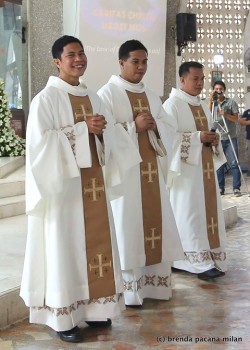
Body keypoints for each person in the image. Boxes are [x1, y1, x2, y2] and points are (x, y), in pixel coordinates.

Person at [20, 35, 140, 343]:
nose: (79, 59)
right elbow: (39, 147)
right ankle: (65, 317)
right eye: (71, 54)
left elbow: (110, 132)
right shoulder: (45, 99)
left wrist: (102, 133)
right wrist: (82, 130)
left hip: (93, 189)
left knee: (96, 249)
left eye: (82, 53)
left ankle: (96, 309)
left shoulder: (95, 98)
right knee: (66, 249)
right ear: (57, 61)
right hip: (65, 194)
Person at [97, 39, 183, 306]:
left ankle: (155, 286)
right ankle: (132, 291)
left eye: (145, 61)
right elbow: (105, 135)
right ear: (121, 62)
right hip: (127, 178)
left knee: (154, 225)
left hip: (152, 175)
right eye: (135, 61)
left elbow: (170, 127)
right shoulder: (107, 94)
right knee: (129, 227)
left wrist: (156, 126)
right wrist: (133, 126)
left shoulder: (151, 94)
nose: (141, 67)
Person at [162, 61, 227, 280]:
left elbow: (206, 132)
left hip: (204, 173)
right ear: (182, 79)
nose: (200, 84)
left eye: (202, 79)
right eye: (195, 79)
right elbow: (167, 141)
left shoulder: (200, 105)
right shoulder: (172, 105)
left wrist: (213, 138)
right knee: (189, 215)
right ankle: (187, 260)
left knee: (204, 215)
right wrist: (198, 138)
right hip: (185, 177)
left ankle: (207, 256)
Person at [208, 80, 241, 196]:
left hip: (230, 137)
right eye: (216, 89)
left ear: (224, 90)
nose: (218, 91)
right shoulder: (213, 104)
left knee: (234, 163)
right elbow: (207, 115)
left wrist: (225, 114)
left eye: (220, 89)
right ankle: (220, 188)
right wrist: (211, 100)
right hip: (218, 138)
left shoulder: (231, 102)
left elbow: (236, 119)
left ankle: (236, 188)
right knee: (219, 164)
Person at [239, 108, 250, 176]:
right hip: (249, 137)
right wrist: (248, 122)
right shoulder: (247, 112)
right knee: (249, 155)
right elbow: (241, 122)